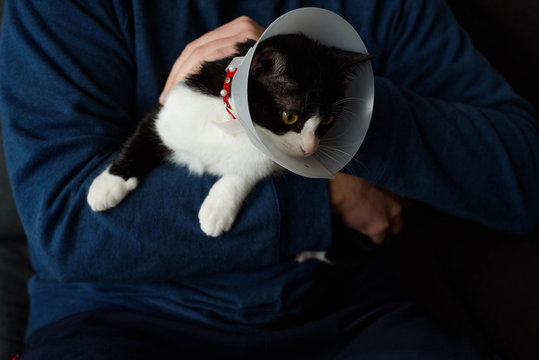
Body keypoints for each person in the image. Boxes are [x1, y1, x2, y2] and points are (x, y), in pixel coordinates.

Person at [0, 0, 537, 358]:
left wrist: (355, 113)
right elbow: (65, 228)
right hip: (121, 318)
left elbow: (522, 178)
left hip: (339, 312)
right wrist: (324, 194)